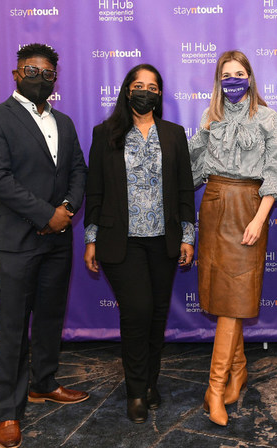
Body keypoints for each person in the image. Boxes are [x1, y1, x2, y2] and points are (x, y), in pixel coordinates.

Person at [84, 64, 195, 424]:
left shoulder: (175, 134)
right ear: (127, 90)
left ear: (159, 94)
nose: (144, 91)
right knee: (137, 313)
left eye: (152, 86)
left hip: (164, 240)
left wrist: (188, 236)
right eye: (138, 85)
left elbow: (183, 191)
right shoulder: (106, 133)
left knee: (157, 315)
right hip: (121, 242)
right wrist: (90, 239)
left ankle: (150, 382)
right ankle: (135, 391)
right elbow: (95, 190)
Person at [189, 50, 277, 426]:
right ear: (218, 80)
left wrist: (260, 217)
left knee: (234, 300)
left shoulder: (267, 117)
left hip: (250, 207)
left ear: (250, 77)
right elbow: (193, 171)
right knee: (222, 297)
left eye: (239, 73)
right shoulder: (209, 117)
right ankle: (239, 371)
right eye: (226, 74)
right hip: (214, 204)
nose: (233, 80)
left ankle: (214, 389)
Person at [0, 43, 88, 448]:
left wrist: (65, 208)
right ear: (16, 74)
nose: (40, 78)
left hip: (59, 239)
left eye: (48, 73)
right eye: (32, 71)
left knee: (50, 316)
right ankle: (8, 412)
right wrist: (44, 214)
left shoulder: (64, 122)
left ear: (55, 79)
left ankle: (43, 383)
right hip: (17, 240)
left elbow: (78, 170)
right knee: (14, 327)